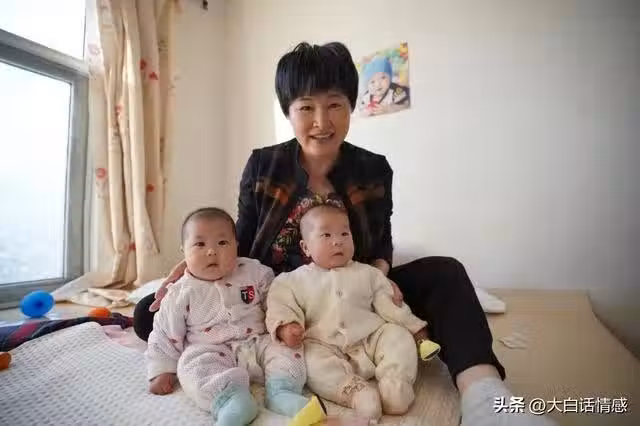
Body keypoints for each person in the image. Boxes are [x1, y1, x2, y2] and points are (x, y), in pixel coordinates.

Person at [135, 41, 554, 426]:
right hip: (276, 298)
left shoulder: (373, 168)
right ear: (288, 111)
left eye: (334, 104)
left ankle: (485, 397)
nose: (322, 122)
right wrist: (195, 268)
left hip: (354, 289)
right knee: (147, 314)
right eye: (306, 107)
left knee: (445, 273)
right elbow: (242, 238)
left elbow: (381, 240)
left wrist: (382, 277)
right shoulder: (263, 164)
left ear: (351, 106)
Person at [267, 204, 440, 420]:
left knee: (397, 336)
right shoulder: (292, 281)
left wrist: (415, 329)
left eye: (344, 233)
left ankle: (395, 385)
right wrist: (286, 326)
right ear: (306, 247)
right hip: (324, 343)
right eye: (326, 235)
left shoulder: (368, 274)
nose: (337, 241)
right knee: (309, 360)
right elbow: (280, 304)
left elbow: (390, 307)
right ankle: (355, 392)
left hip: (370, 338)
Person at [144, 207, 309, 425]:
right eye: (200, 244)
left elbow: (276, 300)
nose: (211, 251)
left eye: (222, 243)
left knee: (287, 350)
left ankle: (282, 391)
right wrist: (162, 369)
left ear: (236, 245)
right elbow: (165, 333)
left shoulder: (254, 272)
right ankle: (231, 400)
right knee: (192, 364)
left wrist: (283, 326)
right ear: (183, 251)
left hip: (259, 340)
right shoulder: (180, 292)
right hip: (211, 348)